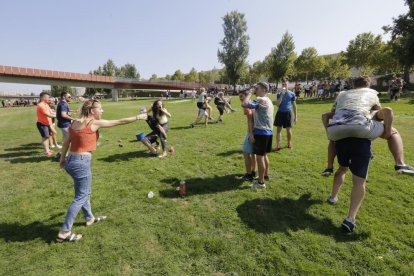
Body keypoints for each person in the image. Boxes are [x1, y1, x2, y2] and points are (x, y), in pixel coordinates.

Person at [57, 99, 147, 242]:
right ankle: (64, 231)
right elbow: (119, 121)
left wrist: (62, 159)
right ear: (92, 111)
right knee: (81, 196)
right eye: (100, 109)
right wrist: (138, 117)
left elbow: (66, 142)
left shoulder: (74, 122)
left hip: (71, 161)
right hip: (81, 163)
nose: (102, 111)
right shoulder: (93, 123)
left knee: (82, 192)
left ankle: (89, 217)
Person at [321, 76, 414, 176]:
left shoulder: (342, 94)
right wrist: (387, 132)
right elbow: (379, 113)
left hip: (335, 129)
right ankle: (400, 164)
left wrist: (328, 132)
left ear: (353, 85)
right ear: (368, 85)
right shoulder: (372, 93)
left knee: (334, 138)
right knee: (393, 132)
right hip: (361, 126)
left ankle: (329, 167)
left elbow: (332, 113)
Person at [241, 82, 274, 189]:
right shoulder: (268, 100)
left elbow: (245, 104)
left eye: (257, 88)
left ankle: (260, 183)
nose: (255, 89)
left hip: (261, 132)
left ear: (264, 89)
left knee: (260, 158)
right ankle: (264, 176)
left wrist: (250, 93)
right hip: (268, 132)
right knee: (263, 156)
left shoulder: (261, 99)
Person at [274, 81, 298, 151]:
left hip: (288, 113)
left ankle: (289, 142)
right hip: (280, 113)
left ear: (288, 85)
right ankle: (278, 145)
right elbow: (278, 104)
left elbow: (294, 105)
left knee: (288, 130)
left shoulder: (292, 94)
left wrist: (296, 116)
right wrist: (281, 95)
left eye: (285, 84)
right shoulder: (279, 94)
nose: (284, 86)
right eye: (283, 84)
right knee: (278, 130)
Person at [238, 89, 256, 181]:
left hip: (252, 131)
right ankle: (253, 172)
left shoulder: (247, 105)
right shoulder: (252, 102)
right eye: (239, 96)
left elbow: (250, 121)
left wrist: (251, 134)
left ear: (246, 95)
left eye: (241, 96)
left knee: (246, 152)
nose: (240, 98)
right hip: (257, 130)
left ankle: (249, 175)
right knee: (253, 153)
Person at [36, 92, 56, 156]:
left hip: (47, 124)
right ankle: (46, 151)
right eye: (47, 97)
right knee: (45, 137)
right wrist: (59, 116)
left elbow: (51, 112)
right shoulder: (41, 105)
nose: (49, 98)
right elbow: (49, 115)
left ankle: (47, 150)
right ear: (43, 97)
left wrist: (56, 114)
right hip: (42, 124)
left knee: (47, 137)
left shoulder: (46, 104)